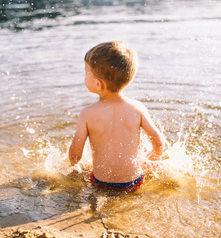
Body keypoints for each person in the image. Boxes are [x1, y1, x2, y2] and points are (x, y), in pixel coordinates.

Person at [69, 41, 165, 192]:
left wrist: (76, 166)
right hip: (134, 181)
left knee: (83, 169)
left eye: (86, 72)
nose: (84, 76)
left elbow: (75, 154)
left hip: (100, 182)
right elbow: (159, 142)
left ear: (98, 84)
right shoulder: (137, 108)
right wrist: (152, 157)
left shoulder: (87, 114)